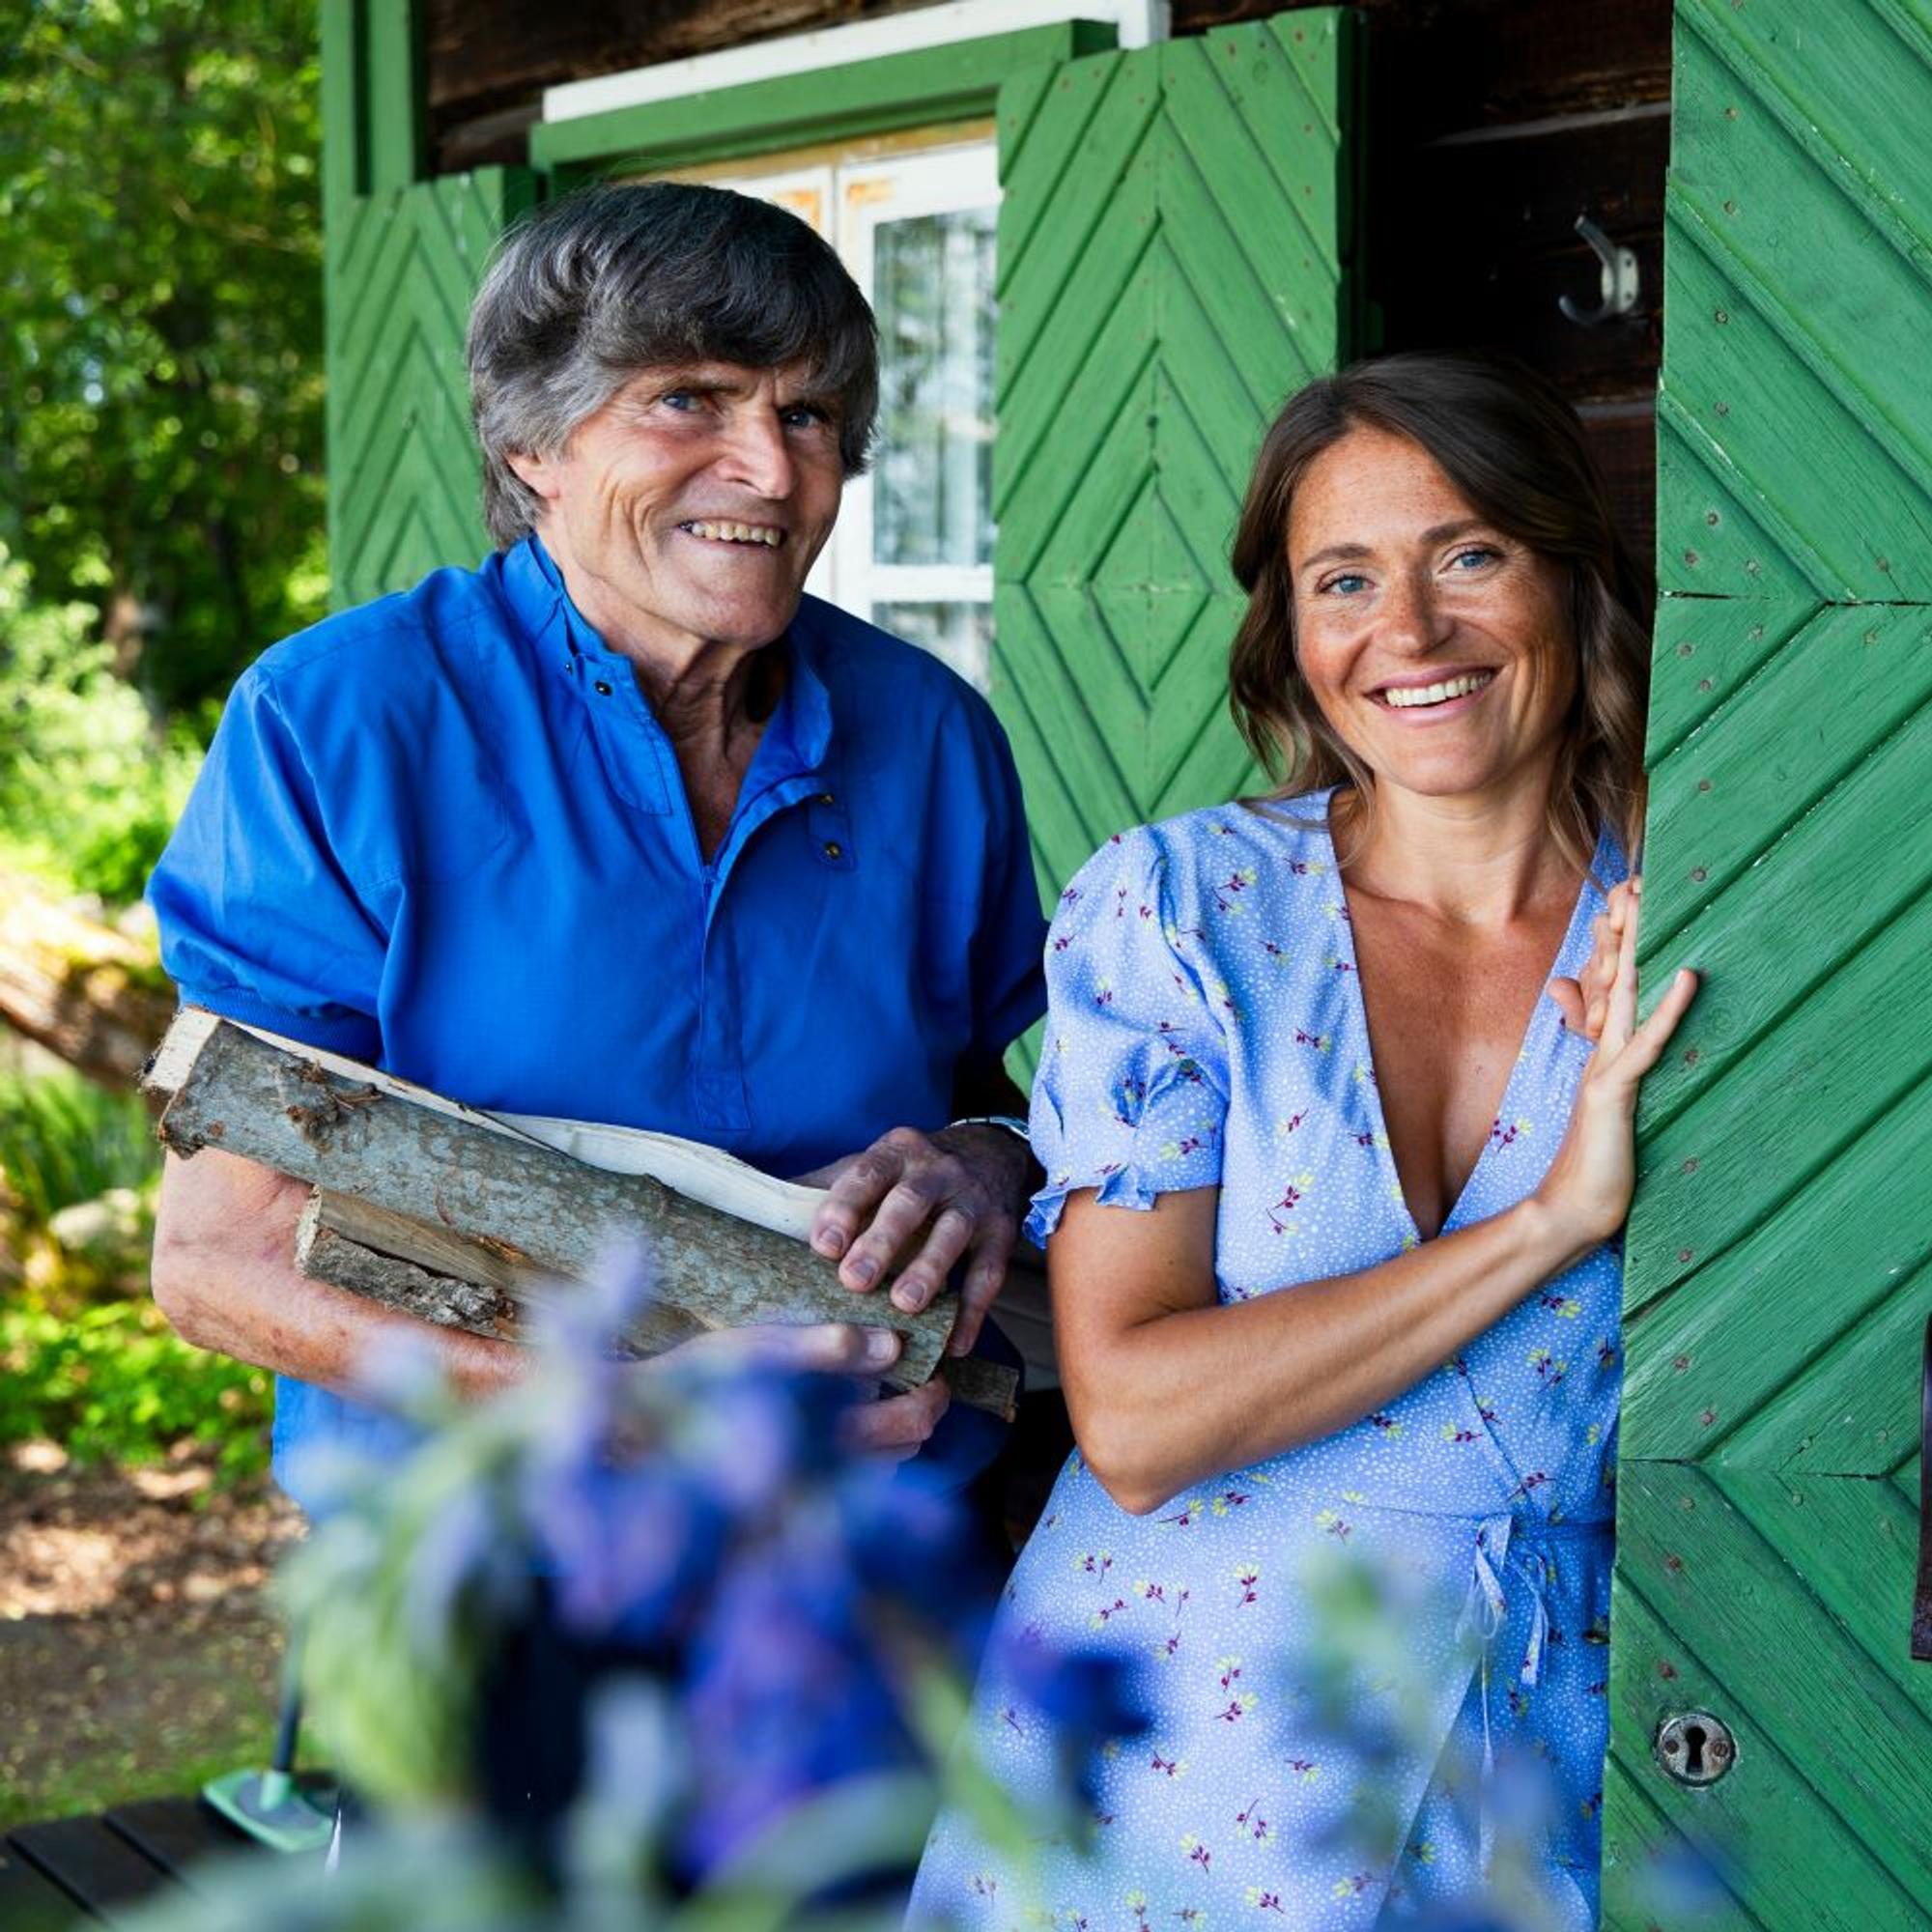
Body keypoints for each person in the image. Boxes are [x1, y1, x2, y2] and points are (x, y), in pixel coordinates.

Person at [908, 353, 1697, 1927]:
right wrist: (1545, 1222)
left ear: (1571, 571)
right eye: (1346, 579)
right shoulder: (1182, 914)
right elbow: (1132, 1418)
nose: (1407, 635)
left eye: (1468, 554)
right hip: (1168, 1748)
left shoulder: (1708, 899)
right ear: (1292, 630)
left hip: (1548, 1742)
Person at [147, 183, 1047, 1508]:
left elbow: (988, 1093)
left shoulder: (927, 733)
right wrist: (611, 1414)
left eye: (807, 415)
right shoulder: (341, 722)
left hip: (876, 1530)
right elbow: (219, 1263)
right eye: (690, 397)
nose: (772, 467)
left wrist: (979, 1164)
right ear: (534, 448)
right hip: (486, 1543)